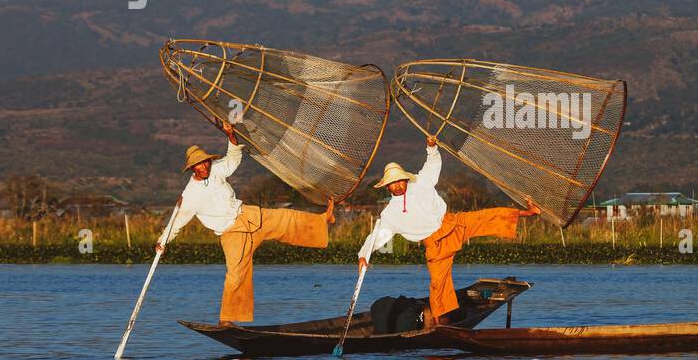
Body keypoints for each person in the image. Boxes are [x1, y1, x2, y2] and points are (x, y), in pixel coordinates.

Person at [157, 120, 336, 325]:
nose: (204, 165)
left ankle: (324, 220)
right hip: (232, 233)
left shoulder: (215, 169)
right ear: (192, 168)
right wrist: (163, 241)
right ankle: (228, 320)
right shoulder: (189, 196)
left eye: (205, 161)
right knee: (236, 275)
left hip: (248, 216)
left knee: (287, 218)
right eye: (199, 164)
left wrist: (230, 136)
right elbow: (176, 223)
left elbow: (233, 159)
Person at [357, 135, 539, 327]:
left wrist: (431, 147)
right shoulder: (390, 214)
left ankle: (528, 212)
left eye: (400, 181)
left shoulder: (420, 183)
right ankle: (439, 323)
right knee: (438, 284)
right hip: (435, 245)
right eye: (393, 184)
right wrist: (363, 256)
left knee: (486, 216)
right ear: (388, 187)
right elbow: (377, 236)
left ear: (405, 179)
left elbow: (432, 165)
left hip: (451, 224)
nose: (398, 185)